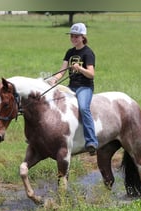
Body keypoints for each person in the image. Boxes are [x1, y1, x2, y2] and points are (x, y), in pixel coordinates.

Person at [49, 23, 98, 155]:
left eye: (77, 36)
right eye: (72, 36)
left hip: (84, 87)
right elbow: (62, 71)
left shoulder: (88, 53)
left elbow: (91, 74)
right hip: (71, 86)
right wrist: (54, 79)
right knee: (53, 101)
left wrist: (80, 68)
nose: (74, 39)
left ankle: (91, 141)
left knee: (83, 108)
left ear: (83, 37)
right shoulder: (70, 52)